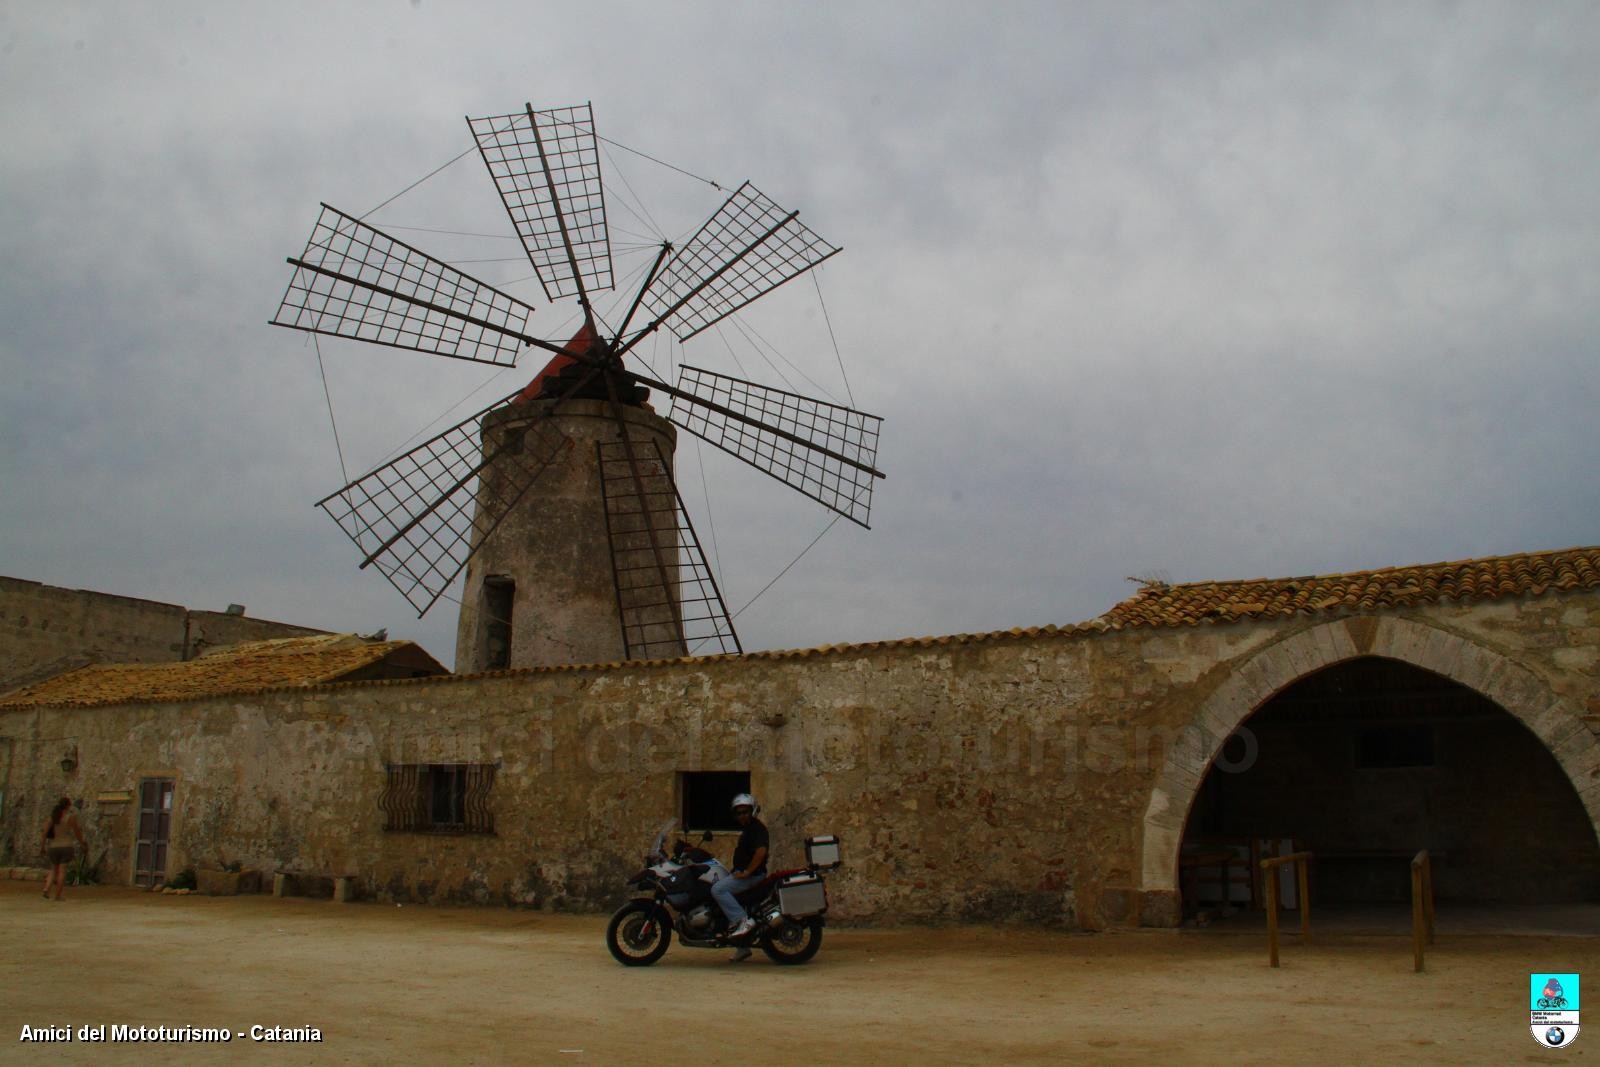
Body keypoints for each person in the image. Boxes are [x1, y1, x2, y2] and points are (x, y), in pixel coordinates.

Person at [710, 792, 768, 962]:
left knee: (718, 889)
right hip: (743, 873)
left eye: (745, 812)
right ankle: (743, 947)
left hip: (752, 876)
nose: (742, 815)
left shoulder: (758, 829)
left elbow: (761, 851)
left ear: (753, 811)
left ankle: (743, 921)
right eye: (739, 812)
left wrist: (748, 872)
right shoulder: (749, 829)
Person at [41, 797, 85, 901]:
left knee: (53, 869)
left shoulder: (53, 818)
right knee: (62, 871)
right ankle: (58, 895)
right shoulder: (70, 818)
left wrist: (42, 846)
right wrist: (82, 843)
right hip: (66, 846)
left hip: (54, 846)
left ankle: (47, 888)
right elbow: (77, 832)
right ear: (68, 806)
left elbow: (44, 832)